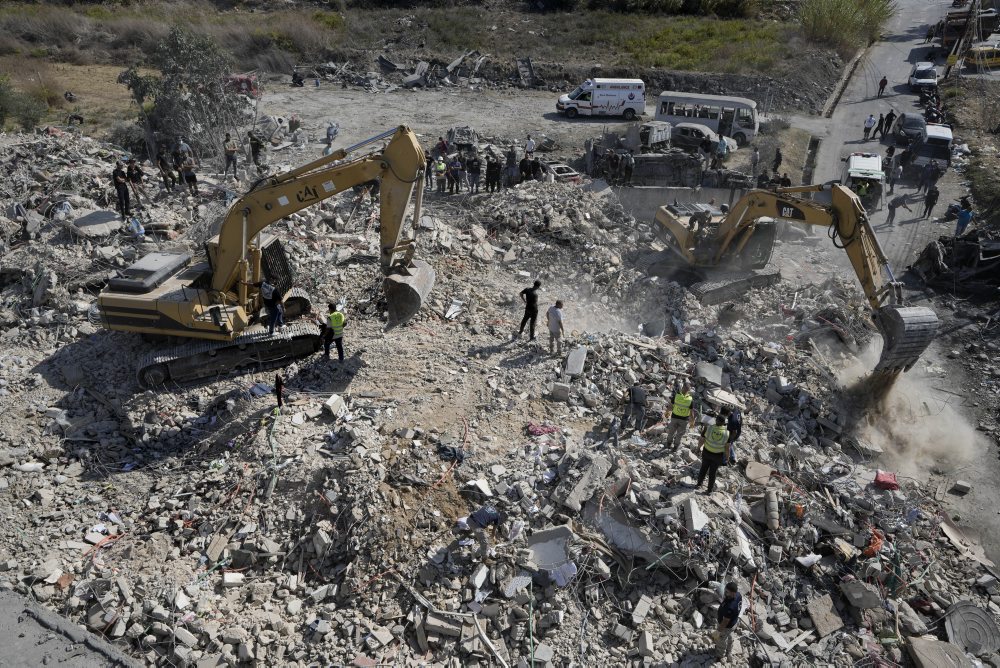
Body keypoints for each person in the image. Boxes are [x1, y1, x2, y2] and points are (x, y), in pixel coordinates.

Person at [695, 414, 730, 493]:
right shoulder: (727, 433)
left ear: (715, 420)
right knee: (713, 473)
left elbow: (702, 440)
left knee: (703, 468)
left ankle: (698, 484)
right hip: (718, 456)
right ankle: (709, 490)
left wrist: (698, 448)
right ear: (724, 423)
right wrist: (727, 457)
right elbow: (727, 448)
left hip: (707, 452)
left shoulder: (708, 428)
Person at [664, 380, 696, 450]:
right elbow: (691, 413)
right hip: (684, 420)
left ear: (682, 388)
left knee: (671, 432)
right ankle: (675, 447)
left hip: (675, 417)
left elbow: (670, 406)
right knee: (679, 434)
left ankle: (668, 444)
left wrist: (667, 413)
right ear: (689, 390)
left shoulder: (676, 396)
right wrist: (692, 422)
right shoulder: (690, 400)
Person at [715, 582, 743, 659]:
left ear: (733, 593)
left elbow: (725, 622)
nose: (725, 593)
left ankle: (720, 655)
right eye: (725, 590)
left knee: (721, 639)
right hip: (734, 623)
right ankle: (729, 651)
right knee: (730, 637)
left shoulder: (730, 607)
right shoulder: (738, 595)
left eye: (727, 592)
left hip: (726, 626)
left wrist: (718, 631)